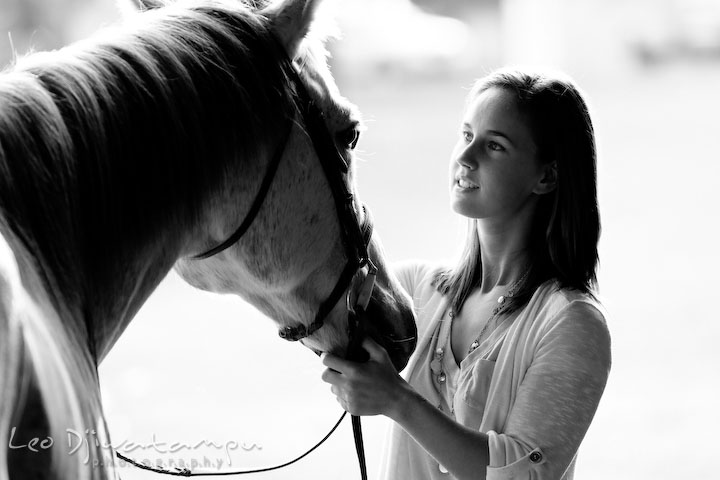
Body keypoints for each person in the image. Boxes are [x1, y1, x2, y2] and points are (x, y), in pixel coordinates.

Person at [321, 67, 611, 480]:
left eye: (494, 146)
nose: (465, 156)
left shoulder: (572, 323)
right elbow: (313, 300)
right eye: (466, 135)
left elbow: (523, 474)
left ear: (546, 176)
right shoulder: (415, 290)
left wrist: (397, 399)